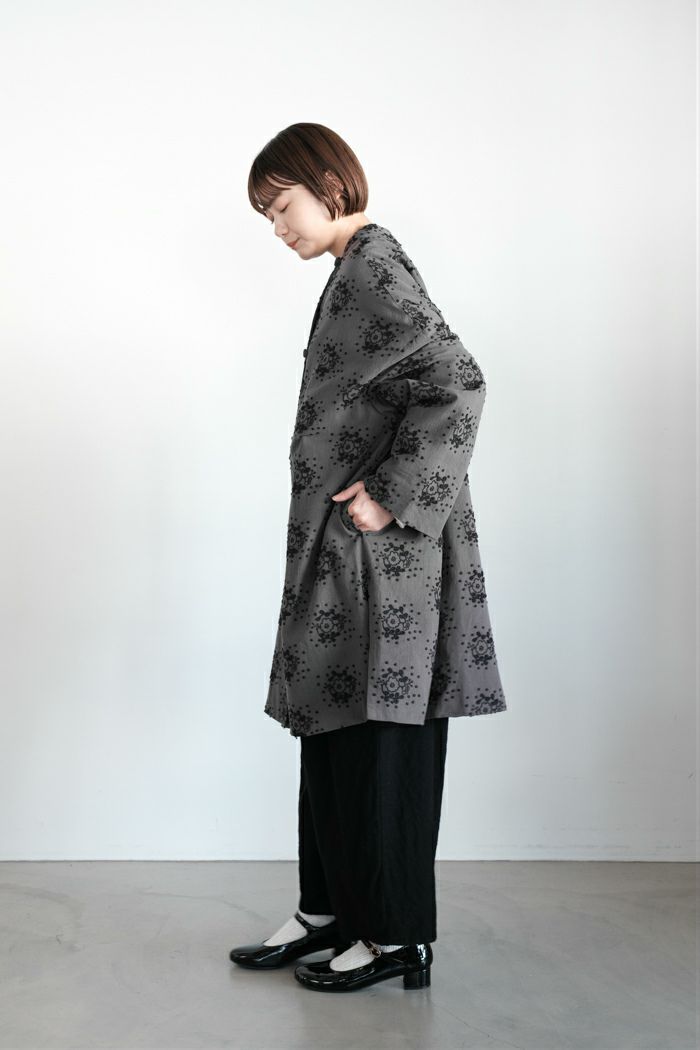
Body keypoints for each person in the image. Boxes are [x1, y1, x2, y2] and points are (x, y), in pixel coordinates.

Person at [229, 123, 507, 992]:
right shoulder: (352, 271)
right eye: (267, 216)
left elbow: (460, 383)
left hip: (388, 561)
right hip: (350, 557)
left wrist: (390, 493)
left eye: (282, 206)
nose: (278, 227)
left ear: (329, 183)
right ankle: (330, 911)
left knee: (383, 741)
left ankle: (393, 937)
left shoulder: (376, 269)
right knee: (333, 729)